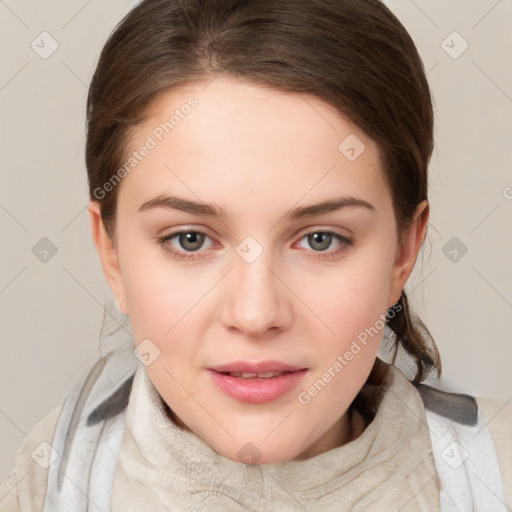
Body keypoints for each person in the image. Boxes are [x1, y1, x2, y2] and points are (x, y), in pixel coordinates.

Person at [1, 0, 510, 510]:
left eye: (320, 239)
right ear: (110, 253)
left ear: (404, 251)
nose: (255, 313)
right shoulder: (43, 483)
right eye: (190, 239)